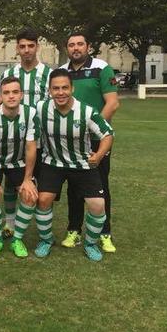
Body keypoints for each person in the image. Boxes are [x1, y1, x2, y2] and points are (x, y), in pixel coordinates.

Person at [33, 68, 114, 262]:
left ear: (72, 88)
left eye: (64, 88)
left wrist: (100, 155)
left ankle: (90, 244)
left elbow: (108, 134)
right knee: (43, 199)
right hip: (53, 162)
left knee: (97, 204)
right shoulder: (41, 108)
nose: (60, 92)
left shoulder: (86, 111)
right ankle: (46, 240)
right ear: (50, 91)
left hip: (82, 164)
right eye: (56, 89)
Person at [61, 32, 120, 253]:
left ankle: (105, 233)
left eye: (80, 44)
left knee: (100, 186)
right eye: (71, 45)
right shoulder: (63, 71)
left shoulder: (102, 67)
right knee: (74, 187)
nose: (76, 48)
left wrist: (92, 127)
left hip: (97, 140)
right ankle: (74, 230)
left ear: (88, 46)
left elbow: (112, 103)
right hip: (71, 141)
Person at [0, 29, 50, 237]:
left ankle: (43, 231)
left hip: (38, 141)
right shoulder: (10, 74)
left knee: (38, 188)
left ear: (37, 46)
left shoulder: (47, 73)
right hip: (10, 140)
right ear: (17, 48)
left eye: (31, 45)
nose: (27, 50)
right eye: (22, 46)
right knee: (10, 184)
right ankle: (10, 223)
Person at [0, 76, 40, 257]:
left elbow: (31, 147)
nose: (11, 96)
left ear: (21, 95)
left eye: (15, 92)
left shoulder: (30, 113)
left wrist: (28, 179)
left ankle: (17, 239)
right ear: (0, 96)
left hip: (17, 162)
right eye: (6, 92)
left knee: (30, 196)